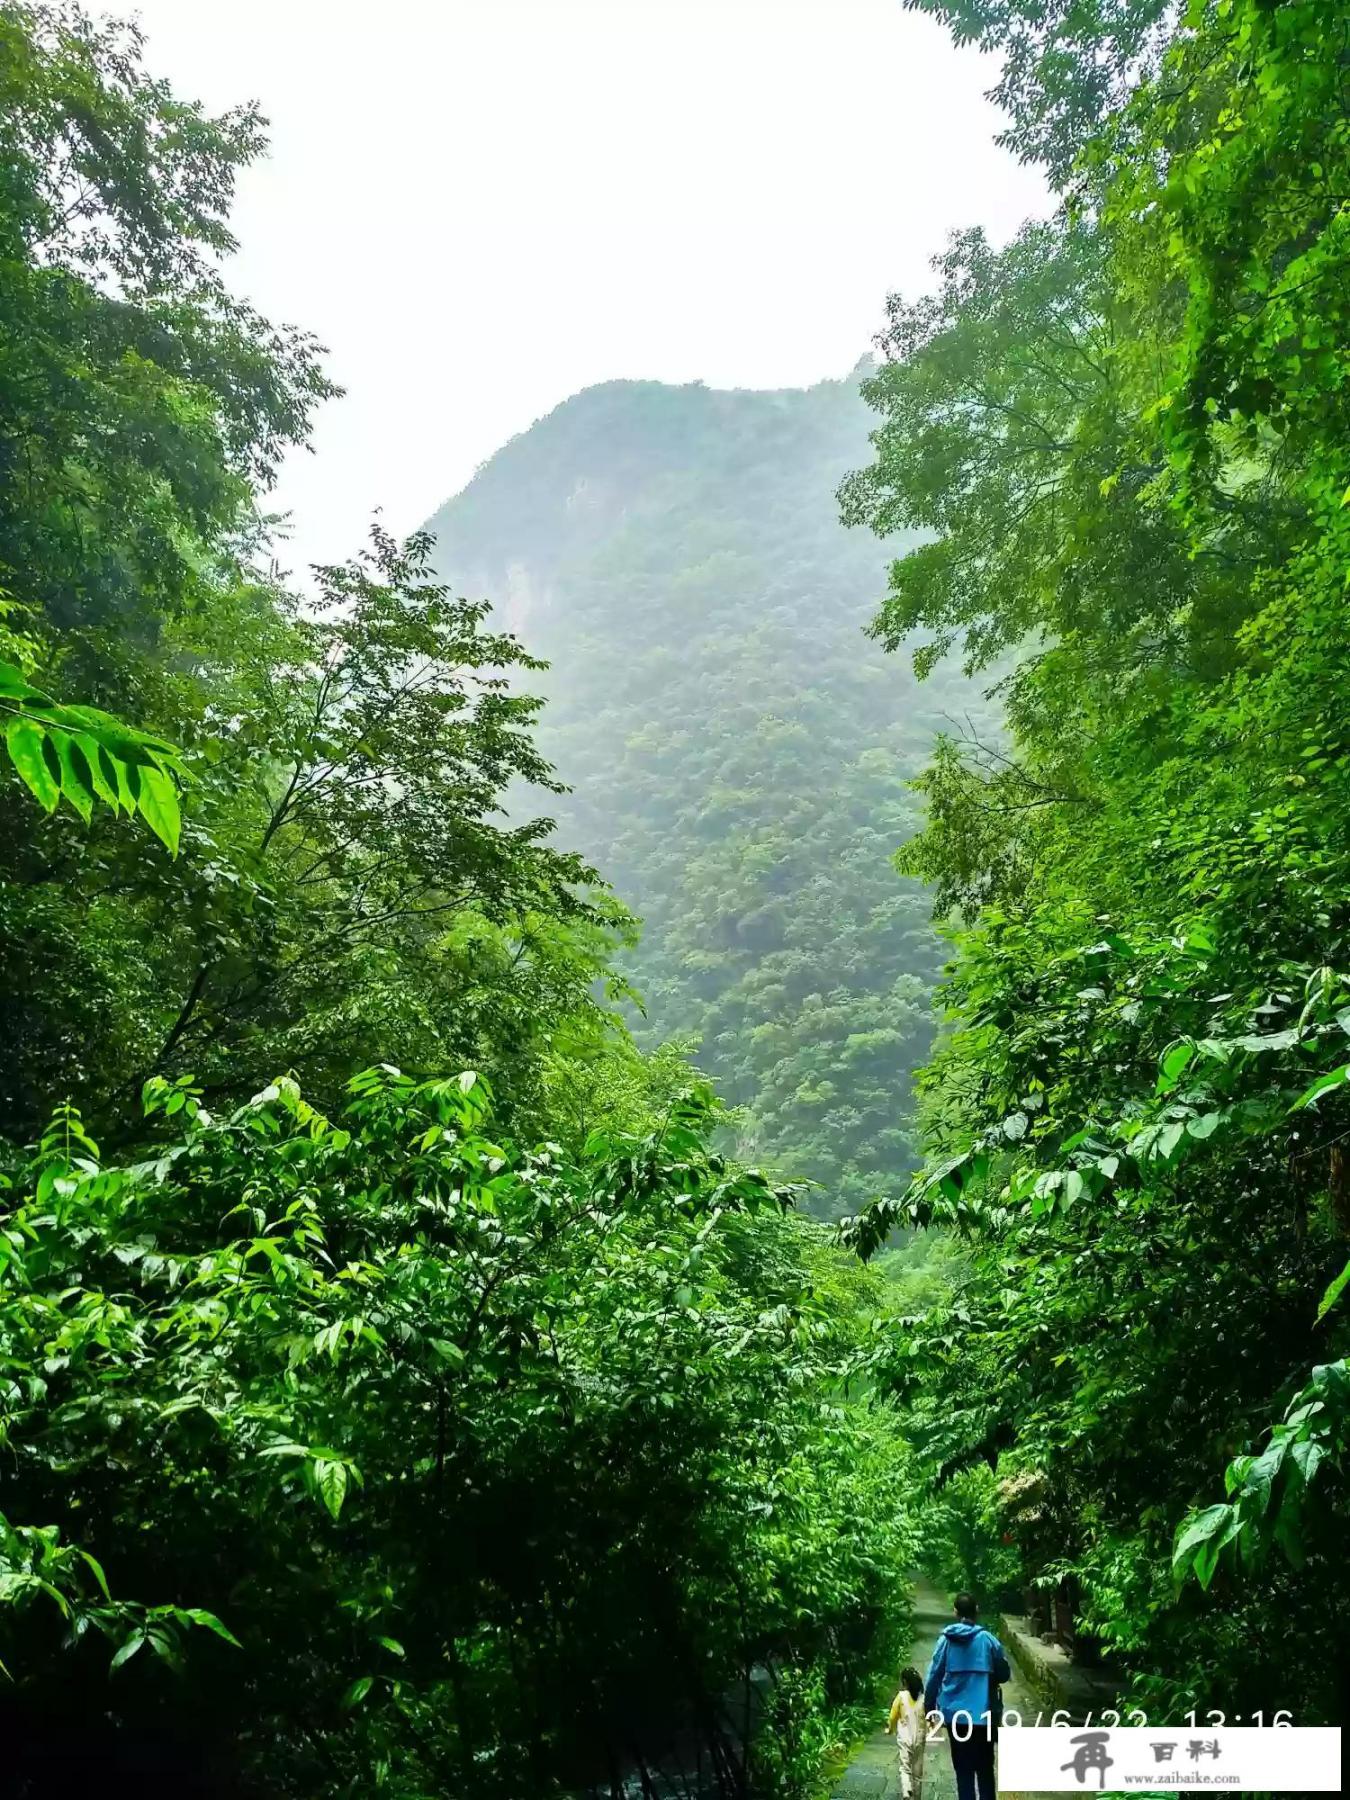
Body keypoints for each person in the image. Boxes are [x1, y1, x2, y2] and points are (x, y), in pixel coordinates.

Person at [923, 1591, 1011, 1800]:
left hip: (956, 1716)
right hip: (984, 1715)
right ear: (976, 1611)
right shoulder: (989, 1641)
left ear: (955, 1612)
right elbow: (1004, 1674)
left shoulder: (946, 1641)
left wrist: (929, 1708)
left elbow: (934, 1675)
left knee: (963, 1770)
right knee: (985, 1768)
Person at [885, 1665, 926, 1800]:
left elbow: (892, 1716)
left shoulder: (901, 1696)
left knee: (905, 1767)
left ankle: (907, 1791)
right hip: (919, 1738)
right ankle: (917, 1796)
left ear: (905, 1682)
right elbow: (930, 1717)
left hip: (904, 1738)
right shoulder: (923, 1699)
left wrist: (890, 1728)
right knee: (917, 1773)